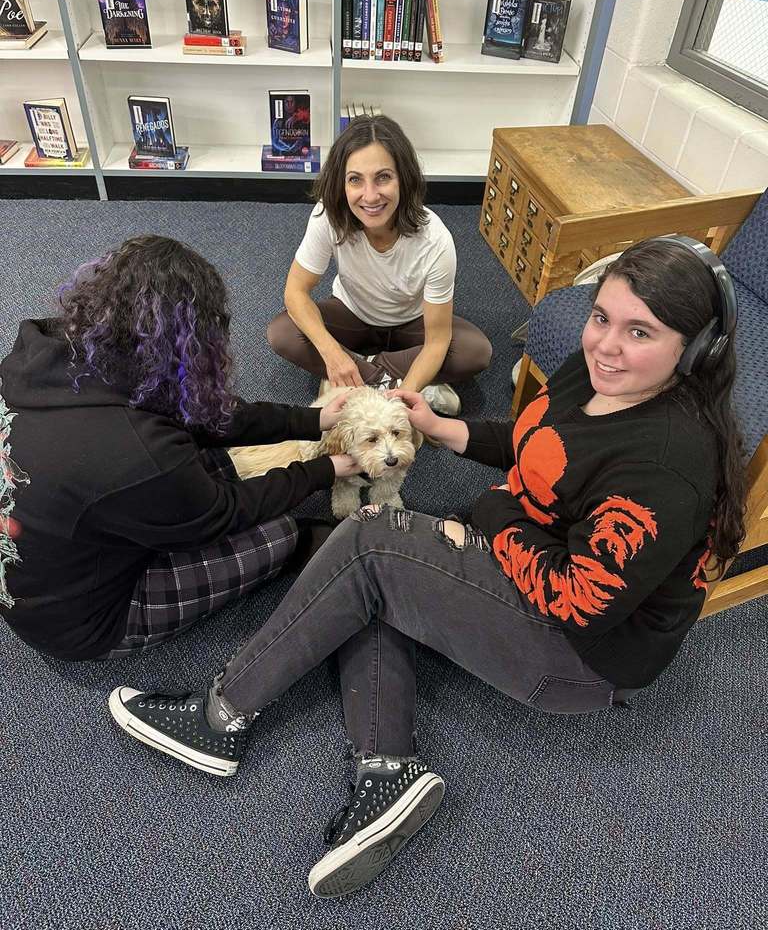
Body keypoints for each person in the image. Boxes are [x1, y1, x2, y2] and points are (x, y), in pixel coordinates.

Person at [108, 237, 746, 898]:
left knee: (368, 543)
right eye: (602, 317)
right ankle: (388, 769)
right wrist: (444, 430)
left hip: (581, 650)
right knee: (371, 568)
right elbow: (539, 447)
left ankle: (219, 718)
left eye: (640, 331)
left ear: (695, 350)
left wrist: (495, 518)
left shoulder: (666, 464)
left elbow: (575, 600)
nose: (606, 344)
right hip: (538, 556)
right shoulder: (600, 373)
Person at [0, 235, 360, 661]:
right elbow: (225, 512)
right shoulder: (140, 452)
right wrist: (324, 471)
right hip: (83, 624)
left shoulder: (47, 353)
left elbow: (202, 413)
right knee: (278, 533)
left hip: (40, 569)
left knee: (197, 460)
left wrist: (312, 420)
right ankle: (292, 545)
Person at [266, 114, 493, 416]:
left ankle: (354, 382)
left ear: (404, 178)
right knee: (283, 332)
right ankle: (388, 379)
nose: (370, 196)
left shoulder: (436, 239)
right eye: (355, 179)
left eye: (383, 177)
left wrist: (401, 399)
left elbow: (437, 341)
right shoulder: (329, 216)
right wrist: (333, 355)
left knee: (474, 351)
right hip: (353, 313)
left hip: (412, 322)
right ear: (341, 183)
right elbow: (295, 292)